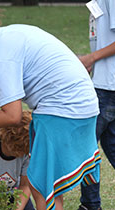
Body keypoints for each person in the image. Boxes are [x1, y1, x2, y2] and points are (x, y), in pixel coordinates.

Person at [0, 0, 102, 209]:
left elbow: (12, 116)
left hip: (63, 110)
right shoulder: (10, 34)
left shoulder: (2, 58)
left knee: (40, 185)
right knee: (49, 184)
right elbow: (26, 55)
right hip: (85, 105)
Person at [78, 0, 115, 210]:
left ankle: (90, 205)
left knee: (86, 148)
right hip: (104, 84)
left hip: (107, 88)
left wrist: (91, 58)